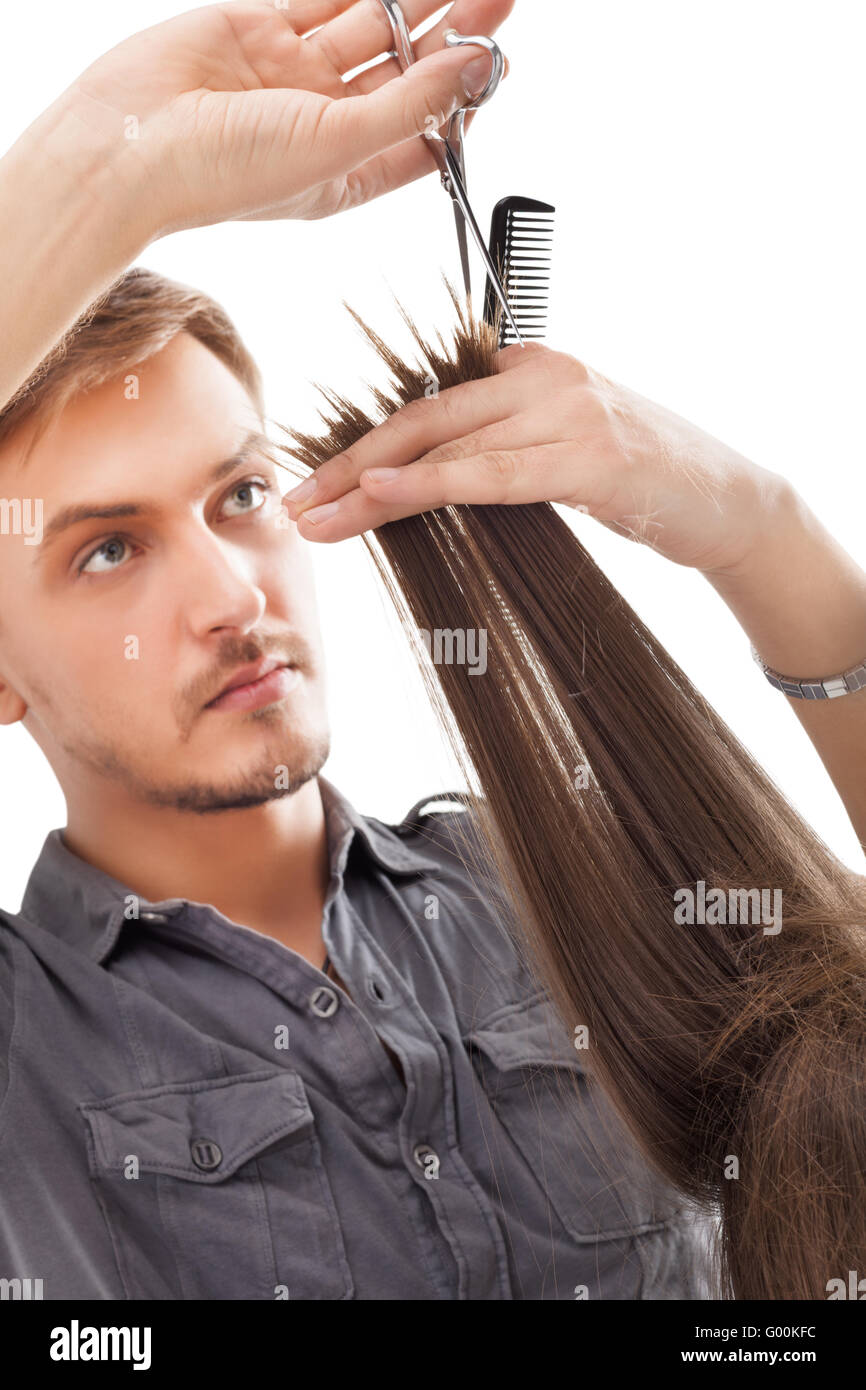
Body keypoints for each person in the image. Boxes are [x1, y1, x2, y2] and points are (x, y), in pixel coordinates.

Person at [0, 0, 860, 1302]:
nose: (233, 593)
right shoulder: (25, 1041)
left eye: (239, 495)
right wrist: (104, 174)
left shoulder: (540, 887)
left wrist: (761, 528)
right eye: (107, 549)